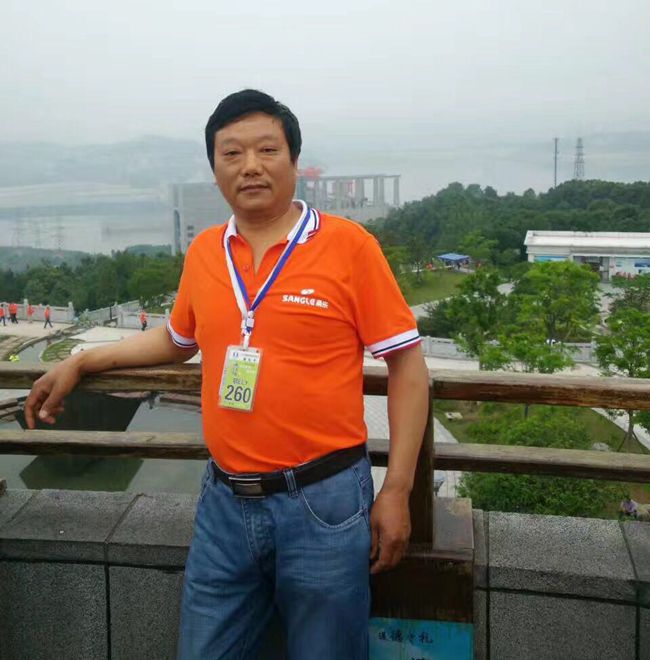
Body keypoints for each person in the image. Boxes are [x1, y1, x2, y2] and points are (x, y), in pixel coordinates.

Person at [24, 89, 429, 660]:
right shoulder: (206, 251)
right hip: (224, 503)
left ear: (294, 160)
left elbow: (407, 364)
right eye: (231, 153)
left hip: (325, 502)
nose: (250, 166)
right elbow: (176, 339)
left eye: (267, 149)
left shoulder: (348, 247)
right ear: (214, 168)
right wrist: (83, 360)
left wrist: (397, 489)